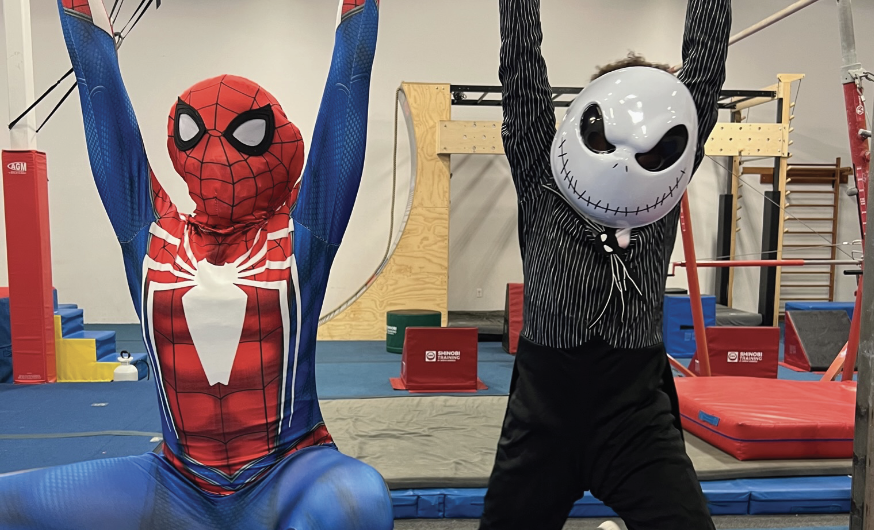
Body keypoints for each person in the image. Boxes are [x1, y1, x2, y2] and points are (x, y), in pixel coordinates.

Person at [0, 1, 393, 529]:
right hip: (176, 482)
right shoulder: (152, 232)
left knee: (358, 502)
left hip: (291, 470)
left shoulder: (300, 234)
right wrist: (77, 13)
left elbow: (350, 80)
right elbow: (101, 98)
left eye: (242, 135)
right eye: (196, 134)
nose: (217, 154)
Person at [479, 1, 731, 529]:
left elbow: (703, 74)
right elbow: (521, 66)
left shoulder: (662, 190)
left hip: (633, 411)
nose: (627, 158)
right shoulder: (541, 174)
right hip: (544, 412)